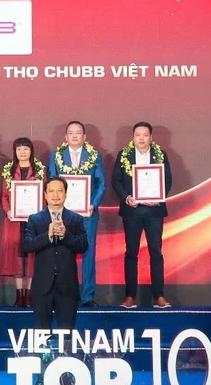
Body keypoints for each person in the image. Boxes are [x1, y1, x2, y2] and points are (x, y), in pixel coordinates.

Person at [110, 122, 173, 308]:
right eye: (138, 135)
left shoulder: (160, 155)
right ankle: (130, 296)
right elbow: (116, 180)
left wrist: (159, 197)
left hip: (154, 211)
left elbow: (167, 179)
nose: (141, 138)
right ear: (133, 137)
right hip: (132, 211)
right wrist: (126, 197)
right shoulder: (124, 155)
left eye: (145, 135)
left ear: (151, 137)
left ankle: (158, 296)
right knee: (131, 252)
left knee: (156, 252)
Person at [46, 121, 106, 307]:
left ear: (84, 136)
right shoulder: (56, 155)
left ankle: (87, 297)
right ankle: (64, 296)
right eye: (71, 133)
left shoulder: (94, 156)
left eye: (78, 133)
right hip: (62, 214)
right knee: (62, 254)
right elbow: (51, 181)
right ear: (65, 137)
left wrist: (93, 204)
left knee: (88, 255)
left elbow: (101, 183)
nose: (74, 136)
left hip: (87, 214)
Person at [24, 177, 88, 332]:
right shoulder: (35, 219)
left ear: (65, 194)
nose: (55, 195)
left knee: (66, 334)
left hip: (67, 285)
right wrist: (48, 235)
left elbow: (83, 246)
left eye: (60, 191)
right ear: (45, 195)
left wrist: (66, 235)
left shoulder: (76, 219)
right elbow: (27, 245)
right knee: (41, 333)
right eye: (51, 191)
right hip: (42, 286)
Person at [0, 138, 42, 307]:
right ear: (15, 152)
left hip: (33, 221)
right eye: (19, 149)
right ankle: (19, 295)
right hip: (14, 221)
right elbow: (4, 196)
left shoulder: (39, 171)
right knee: (17, 256)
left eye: (26, 149)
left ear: (31, 151)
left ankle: (29, 294)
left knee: (31, 256)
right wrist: (8, 210)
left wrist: (39, 211)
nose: (22, 152)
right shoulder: (9, 171)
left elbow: (43, 194)